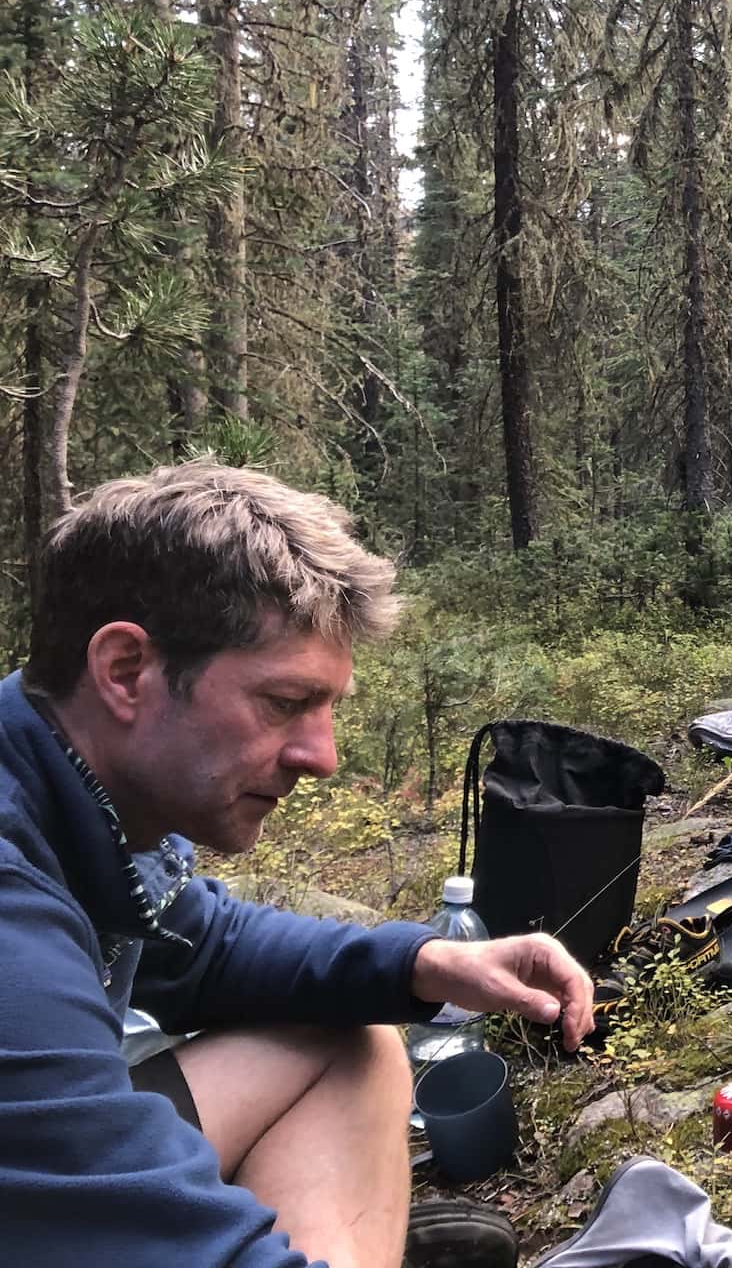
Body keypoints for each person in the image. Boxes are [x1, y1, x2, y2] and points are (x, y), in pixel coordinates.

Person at [0, 462, 596, 1268]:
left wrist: (427, 962)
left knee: (349, 1041)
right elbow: (113, 1214)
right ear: (125, 671)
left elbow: (199, 943)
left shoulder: (80, 792)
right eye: (284, 703)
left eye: (328, 709)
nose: (323, 756)